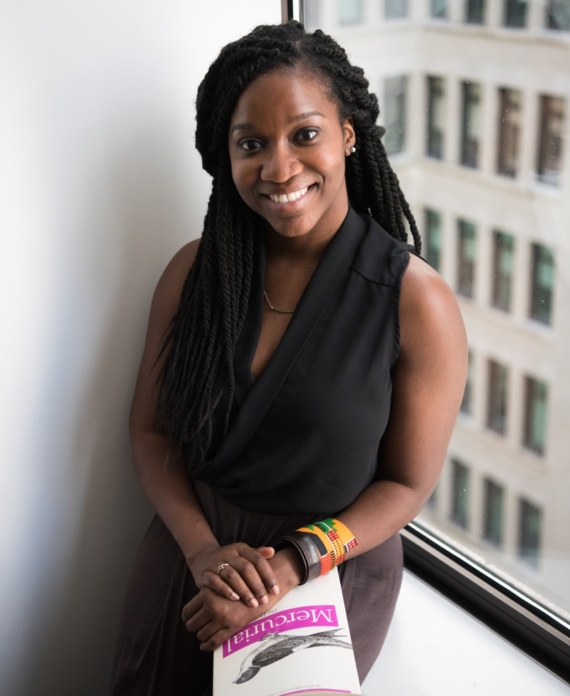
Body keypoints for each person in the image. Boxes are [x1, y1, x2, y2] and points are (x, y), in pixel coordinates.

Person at [109, 21, 467, 696]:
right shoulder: (194, 273)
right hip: (195, 561)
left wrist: (293, 563)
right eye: (252, 144)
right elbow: (151, 429)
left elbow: (407, 485)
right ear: (227, 155)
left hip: (331, 567)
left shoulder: (417, 302)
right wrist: (204, 553)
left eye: (304, 134)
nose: (279, 168)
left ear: (348, 135)